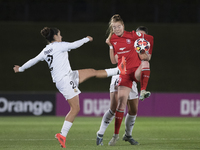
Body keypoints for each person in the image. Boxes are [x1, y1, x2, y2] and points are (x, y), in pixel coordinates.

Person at [13, 27, 126, 148]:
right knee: (75, 108)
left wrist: (20, 69)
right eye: (60, 35)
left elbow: (33, 60)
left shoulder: (46, 50)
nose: (61, 37)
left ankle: (119, 70)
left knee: (92, 72)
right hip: (65, 80)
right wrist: (86, 39)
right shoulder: (59, 45)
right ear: (55, 37)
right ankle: (62, 134)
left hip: (68, 76)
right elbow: (74, 45)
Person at [96, 26, 150, 146]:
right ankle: (100, 134)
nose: (139, 38)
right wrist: (111, 46)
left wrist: (142, 52)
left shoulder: (143, 48)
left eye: (142, 36)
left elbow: (147, 59)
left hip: (132, 79)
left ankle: (128, 135)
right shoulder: (126, 43)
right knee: (114, 108)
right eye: (138, 35)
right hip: (120, 76)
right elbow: (114, 60)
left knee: (134, 110)